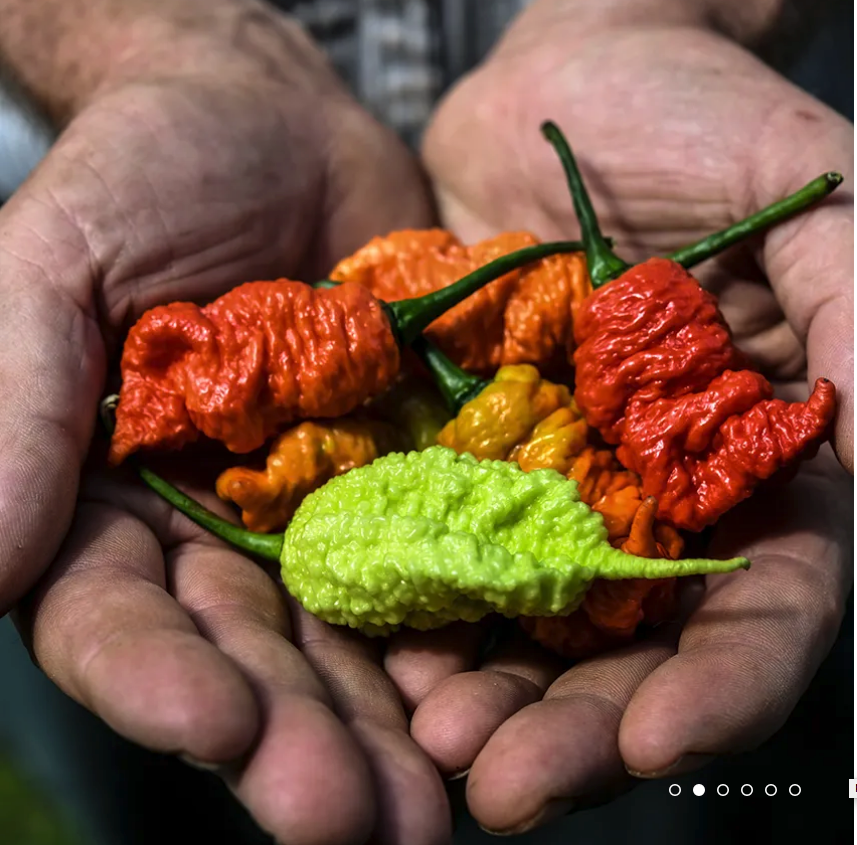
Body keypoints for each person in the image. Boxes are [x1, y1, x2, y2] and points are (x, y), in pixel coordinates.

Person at [0, 1, 852, 842]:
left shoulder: (544, 368)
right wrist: (154, 47)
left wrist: (669, 15)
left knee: (705, 787)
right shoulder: (435, 376)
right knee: (152, 770)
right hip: (68, 136)